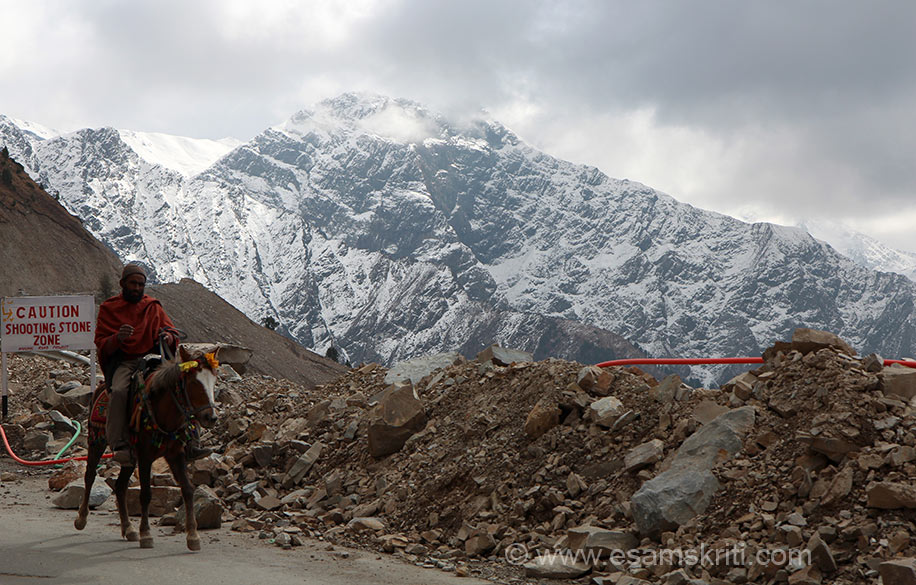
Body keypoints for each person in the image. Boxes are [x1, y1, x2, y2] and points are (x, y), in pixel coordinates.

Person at [95, 263, 211, 463]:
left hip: (154, 360)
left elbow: (171, 331)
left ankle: (192, 440)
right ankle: (119, 444)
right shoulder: (109, 308)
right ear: (123, 283)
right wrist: (117, 339)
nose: (137, 288)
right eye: (133, 284)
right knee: (120, 391)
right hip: (126, 361)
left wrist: (167, 337)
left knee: (183, 382)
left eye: (141, 284)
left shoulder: (152, 306)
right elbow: (101, 343)